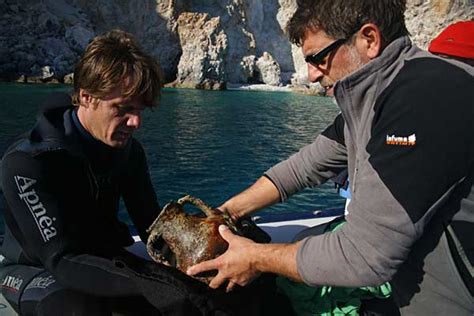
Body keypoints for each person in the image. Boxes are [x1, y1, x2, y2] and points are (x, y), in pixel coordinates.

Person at [187, 1, 474, 315]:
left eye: (318, 58)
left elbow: (364, 255)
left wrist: (255, 258)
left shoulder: (424, 98)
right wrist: (225, 213)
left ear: (369, 39)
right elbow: (304, 168)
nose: (311, 75)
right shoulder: (375, 99)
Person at [0, 30, 163, 315]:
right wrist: (155, 285)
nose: (135, 122)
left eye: (140, 110)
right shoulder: (26, 162)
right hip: (33, 270)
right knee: (83, 308)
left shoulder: (128, 152)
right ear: (86, 97)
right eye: (123, 109)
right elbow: (61, 259)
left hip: (102, 259)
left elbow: (152, 228)